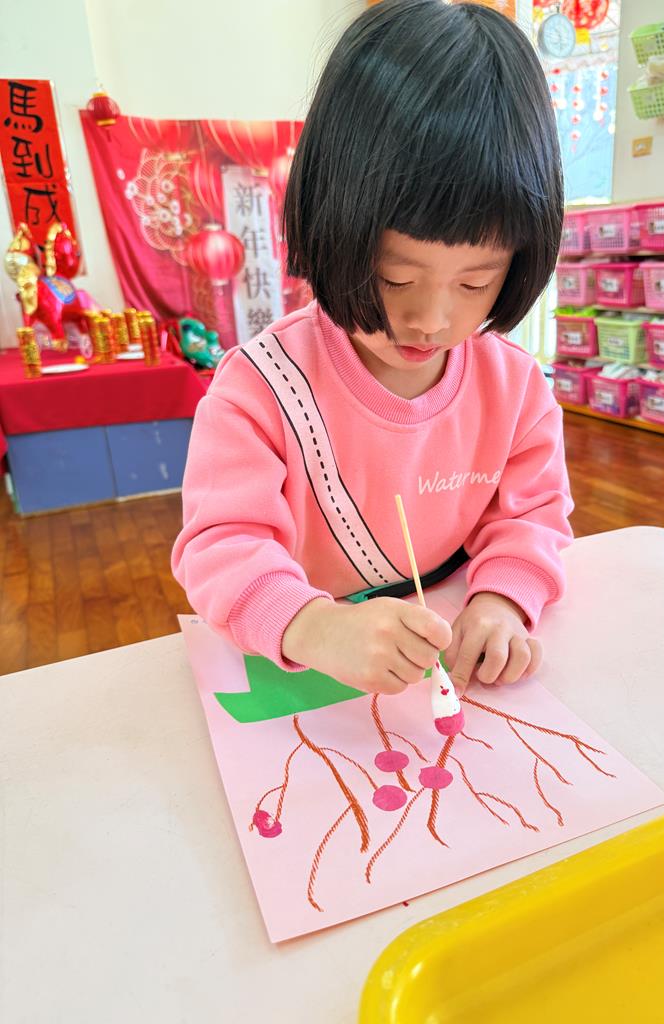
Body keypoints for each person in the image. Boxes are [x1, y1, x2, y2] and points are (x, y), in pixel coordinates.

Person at [172, 0, 573, 699]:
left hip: (444, 661)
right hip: (311, 666)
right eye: (395, 278)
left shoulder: (515, 389)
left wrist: (503, 598)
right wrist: (313, 627)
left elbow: (532, 517)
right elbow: (221, 544)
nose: (430, 320)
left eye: (475, 282)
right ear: (327, 225)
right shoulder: (260, 390)